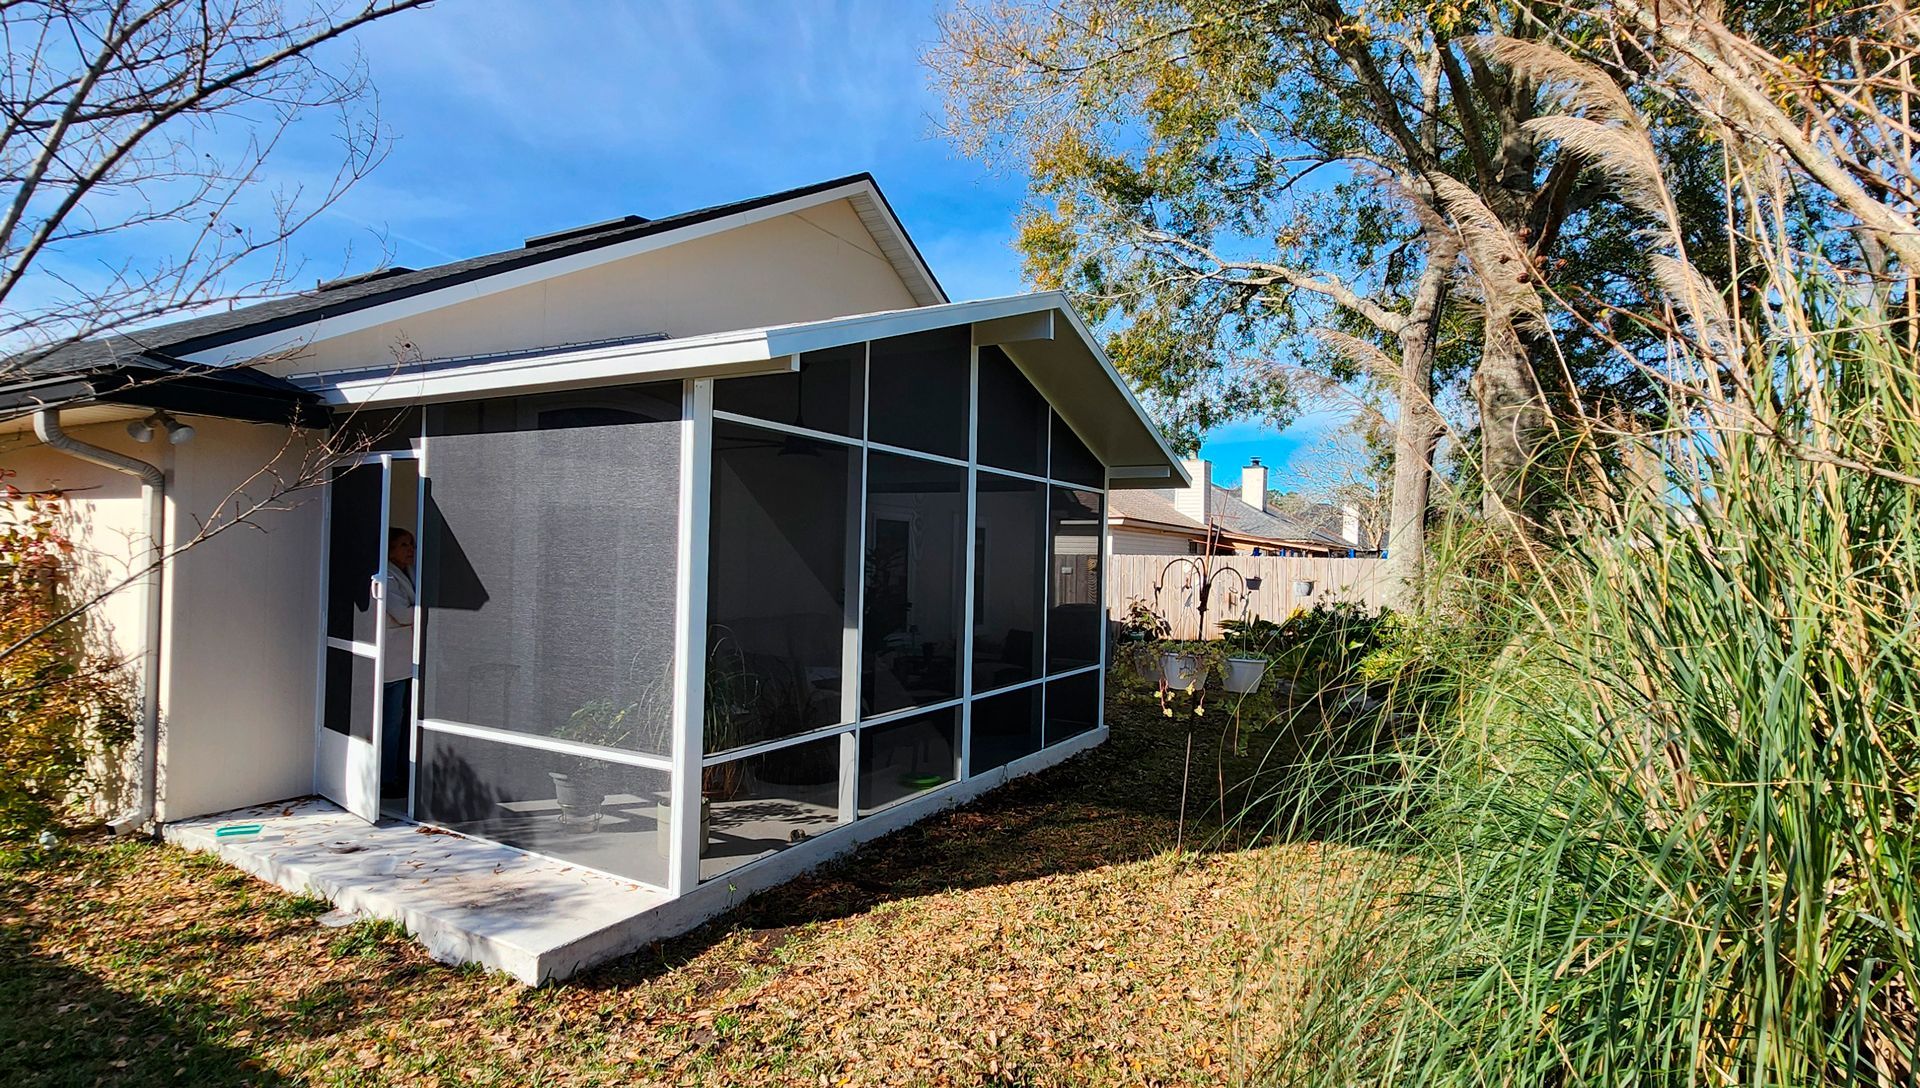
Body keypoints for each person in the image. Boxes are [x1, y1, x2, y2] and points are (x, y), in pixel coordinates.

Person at [380, 527, 416, 800]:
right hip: (391, 660)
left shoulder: (410, 573)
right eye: (404, 545)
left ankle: (402, 772)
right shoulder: (386, 576)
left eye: (411, 545)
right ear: (390, 549)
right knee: (391, 721)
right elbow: (403, 613)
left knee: (404, 720)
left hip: (409, 660)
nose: (410, 550)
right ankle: (385, 778)